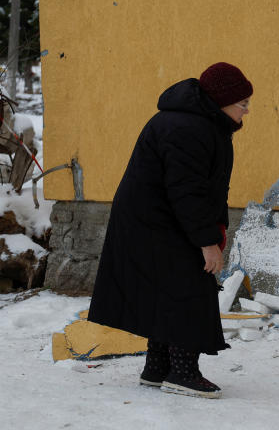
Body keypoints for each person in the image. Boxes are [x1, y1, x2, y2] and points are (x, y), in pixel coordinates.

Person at [88, 62, 253, 399]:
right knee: (187, 287)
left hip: (158, 218)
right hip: (156, 221)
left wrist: (213, 231)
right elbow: (187, 192)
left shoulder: (200, 123)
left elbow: (203, 189)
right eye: (243, 104)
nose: (246, 111)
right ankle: (183, 372)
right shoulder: (189, 128)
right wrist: (207, 242)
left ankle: (157, 367)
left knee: (165, 290)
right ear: (221, 101)